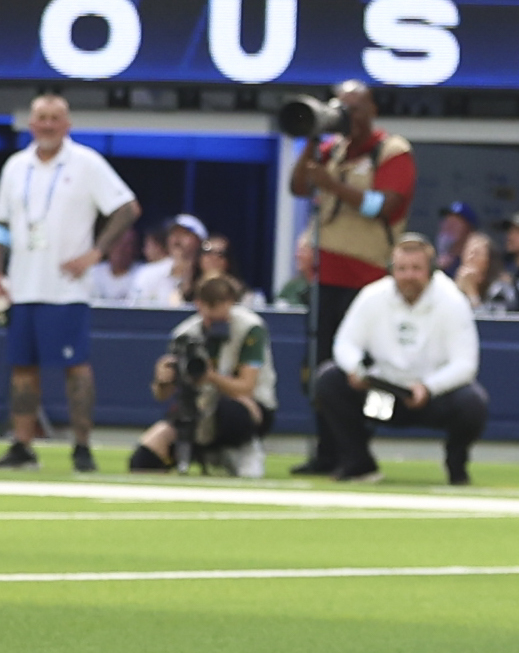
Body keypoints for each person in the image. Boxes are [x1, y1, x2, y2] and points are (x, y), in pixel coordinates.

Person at [2, 92, 140, 473]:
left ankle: (81, 445)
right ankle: (23, 445)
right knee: (22, 367)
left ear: (67, 124)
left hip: (66, 288)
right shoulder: (15, 166)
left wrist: (96, 253)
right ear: (30, 124)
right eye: (41, 117)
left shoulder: (85, 163)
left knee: (75, 366)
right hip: (23, 284)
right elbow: (3, 225)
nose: (46, 125)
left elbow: (127, 208)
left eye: (54, 118)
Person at [281, 83, 411, 477]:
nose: (348, 116)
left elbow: (384, 205)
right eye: (341, 108)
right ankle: (326, 451)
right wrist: (312, 137)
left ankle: (355, 450)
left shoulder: (391, 151)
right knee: (320, 366)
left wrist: (334, 184)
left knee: (359, 371)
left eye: (355, 108)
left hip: (369, 278)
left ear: (372, 108)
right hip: (327, 278)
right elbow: (298, 186)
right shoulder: (331, 150)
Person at [309, 231, 484, 485]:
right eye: (402, 269)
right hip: (382, 401)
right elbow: (345, 343)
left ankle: (456, 467)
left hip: (431, 401)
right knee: (329, 380)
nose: (408, 276)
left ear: (431, 270)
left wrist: (428, 388)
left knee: (473, 403)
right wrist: (356, 369)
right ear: (392, 270)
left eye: (416, 268)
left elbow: (465, 364)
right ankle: (358, 463)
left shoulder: (452, 302)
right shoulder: (372, 296)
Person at [128, 273, 273, 478]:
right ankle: (199, 453)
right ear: (199, 304)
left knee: (232, 411)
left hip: (242, 405)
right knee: (144, 460)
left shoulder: (249, 328)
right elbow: (162, 395)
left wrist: (211, 377)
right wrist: (162, 380)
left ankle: (241, 449)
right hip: (196, 408)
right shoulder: (185, 335)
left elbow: (247, 386)